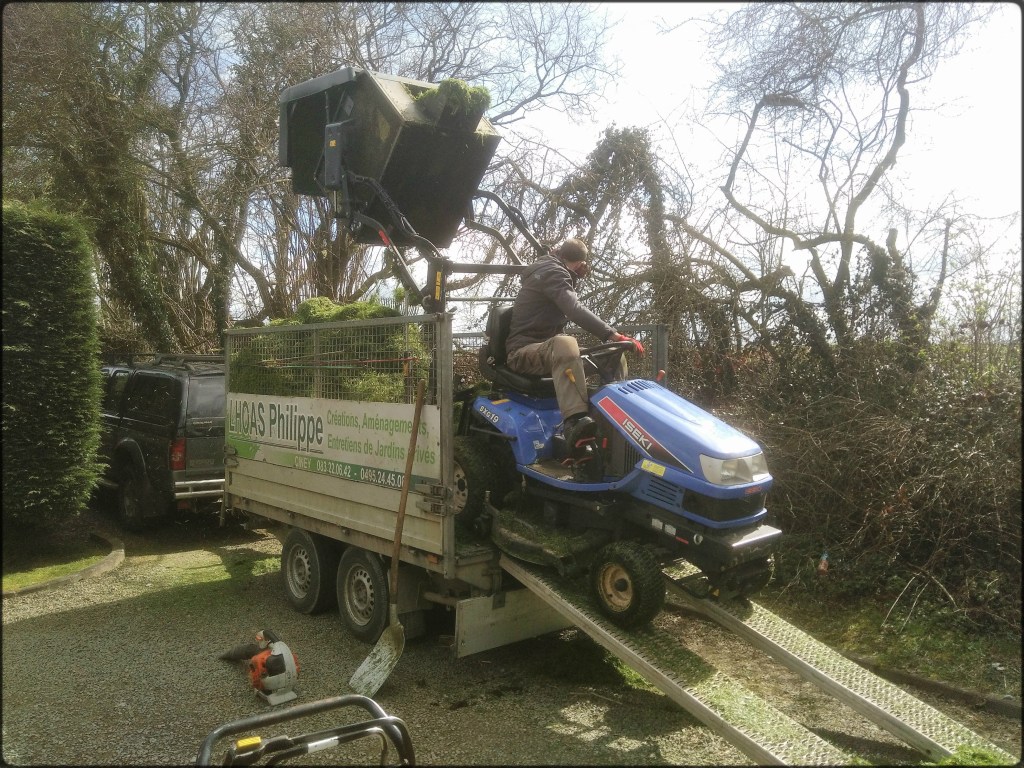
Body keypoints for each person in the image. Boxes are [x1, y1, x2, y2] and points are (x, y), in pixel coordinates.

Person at [505, 237, 644, 450]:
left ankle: (616, 416)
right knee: (565, 343)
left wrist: (615, 344)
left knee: (613, 353)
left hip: (545, 350)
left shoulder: (554, 269)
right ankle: (575, 424)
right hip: (523, 350)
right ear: (580, 263)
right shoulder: (553, 272)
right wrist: (612, 334)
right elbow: (574, 308)